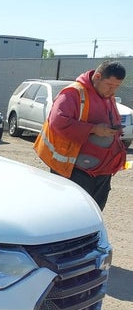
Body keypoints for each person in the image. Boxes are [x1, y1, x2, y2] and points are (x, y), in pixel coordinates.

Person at [33, 61, 128, 210]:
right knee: (71, 213)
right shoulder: (73, 93)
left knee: (93, 213)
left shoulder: (107, 95)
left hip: (101, 171)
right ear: (97, 77)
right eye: (110, 85)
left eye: (117, 86)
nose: (113, 90)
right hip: (75, 170)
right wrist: (93, 129)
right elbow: (58, 123)